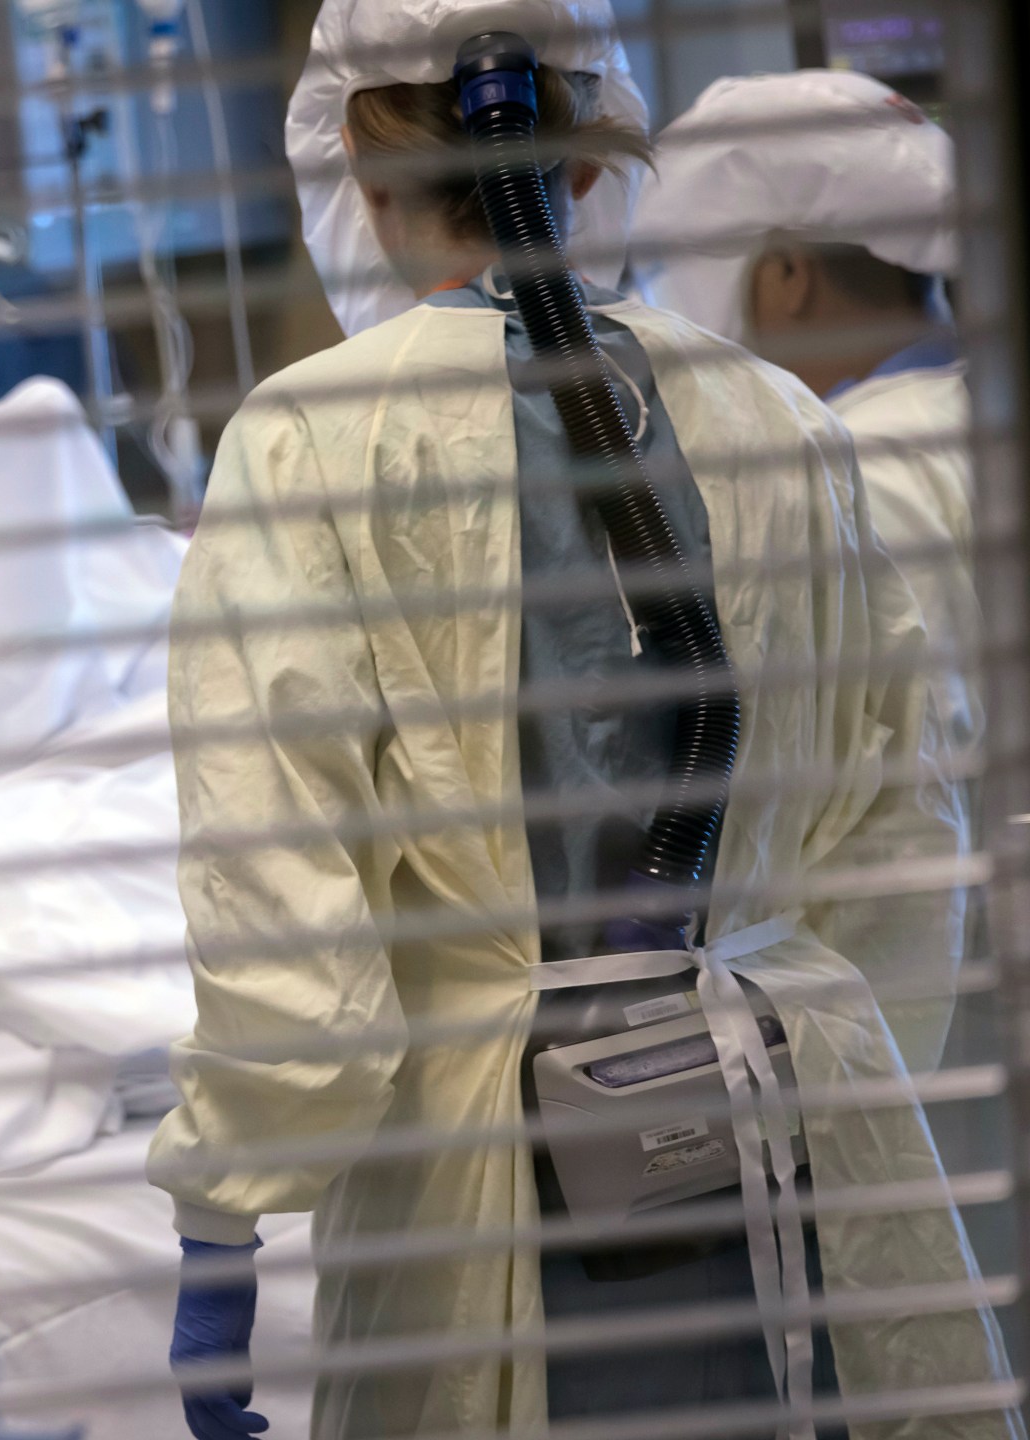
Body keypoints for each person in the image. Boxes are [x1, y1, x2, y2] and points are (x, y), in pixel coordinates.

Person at [150, 2, 1009, 1437]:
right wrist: (840, 1074)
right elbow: (905, 807)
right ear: (594, 162)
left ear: (359, 177)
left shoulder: (313, 442)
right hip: (785, 1126)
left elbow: (283, 900)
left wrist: (225, 1210)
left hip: (487, 1181)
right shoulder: (781, 419)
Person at [633, 73, 975, 1062]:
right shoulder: (964, 416)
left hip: (946, 1016)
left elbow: (904, 803)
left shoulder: (868, 471)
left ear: (786, 274)